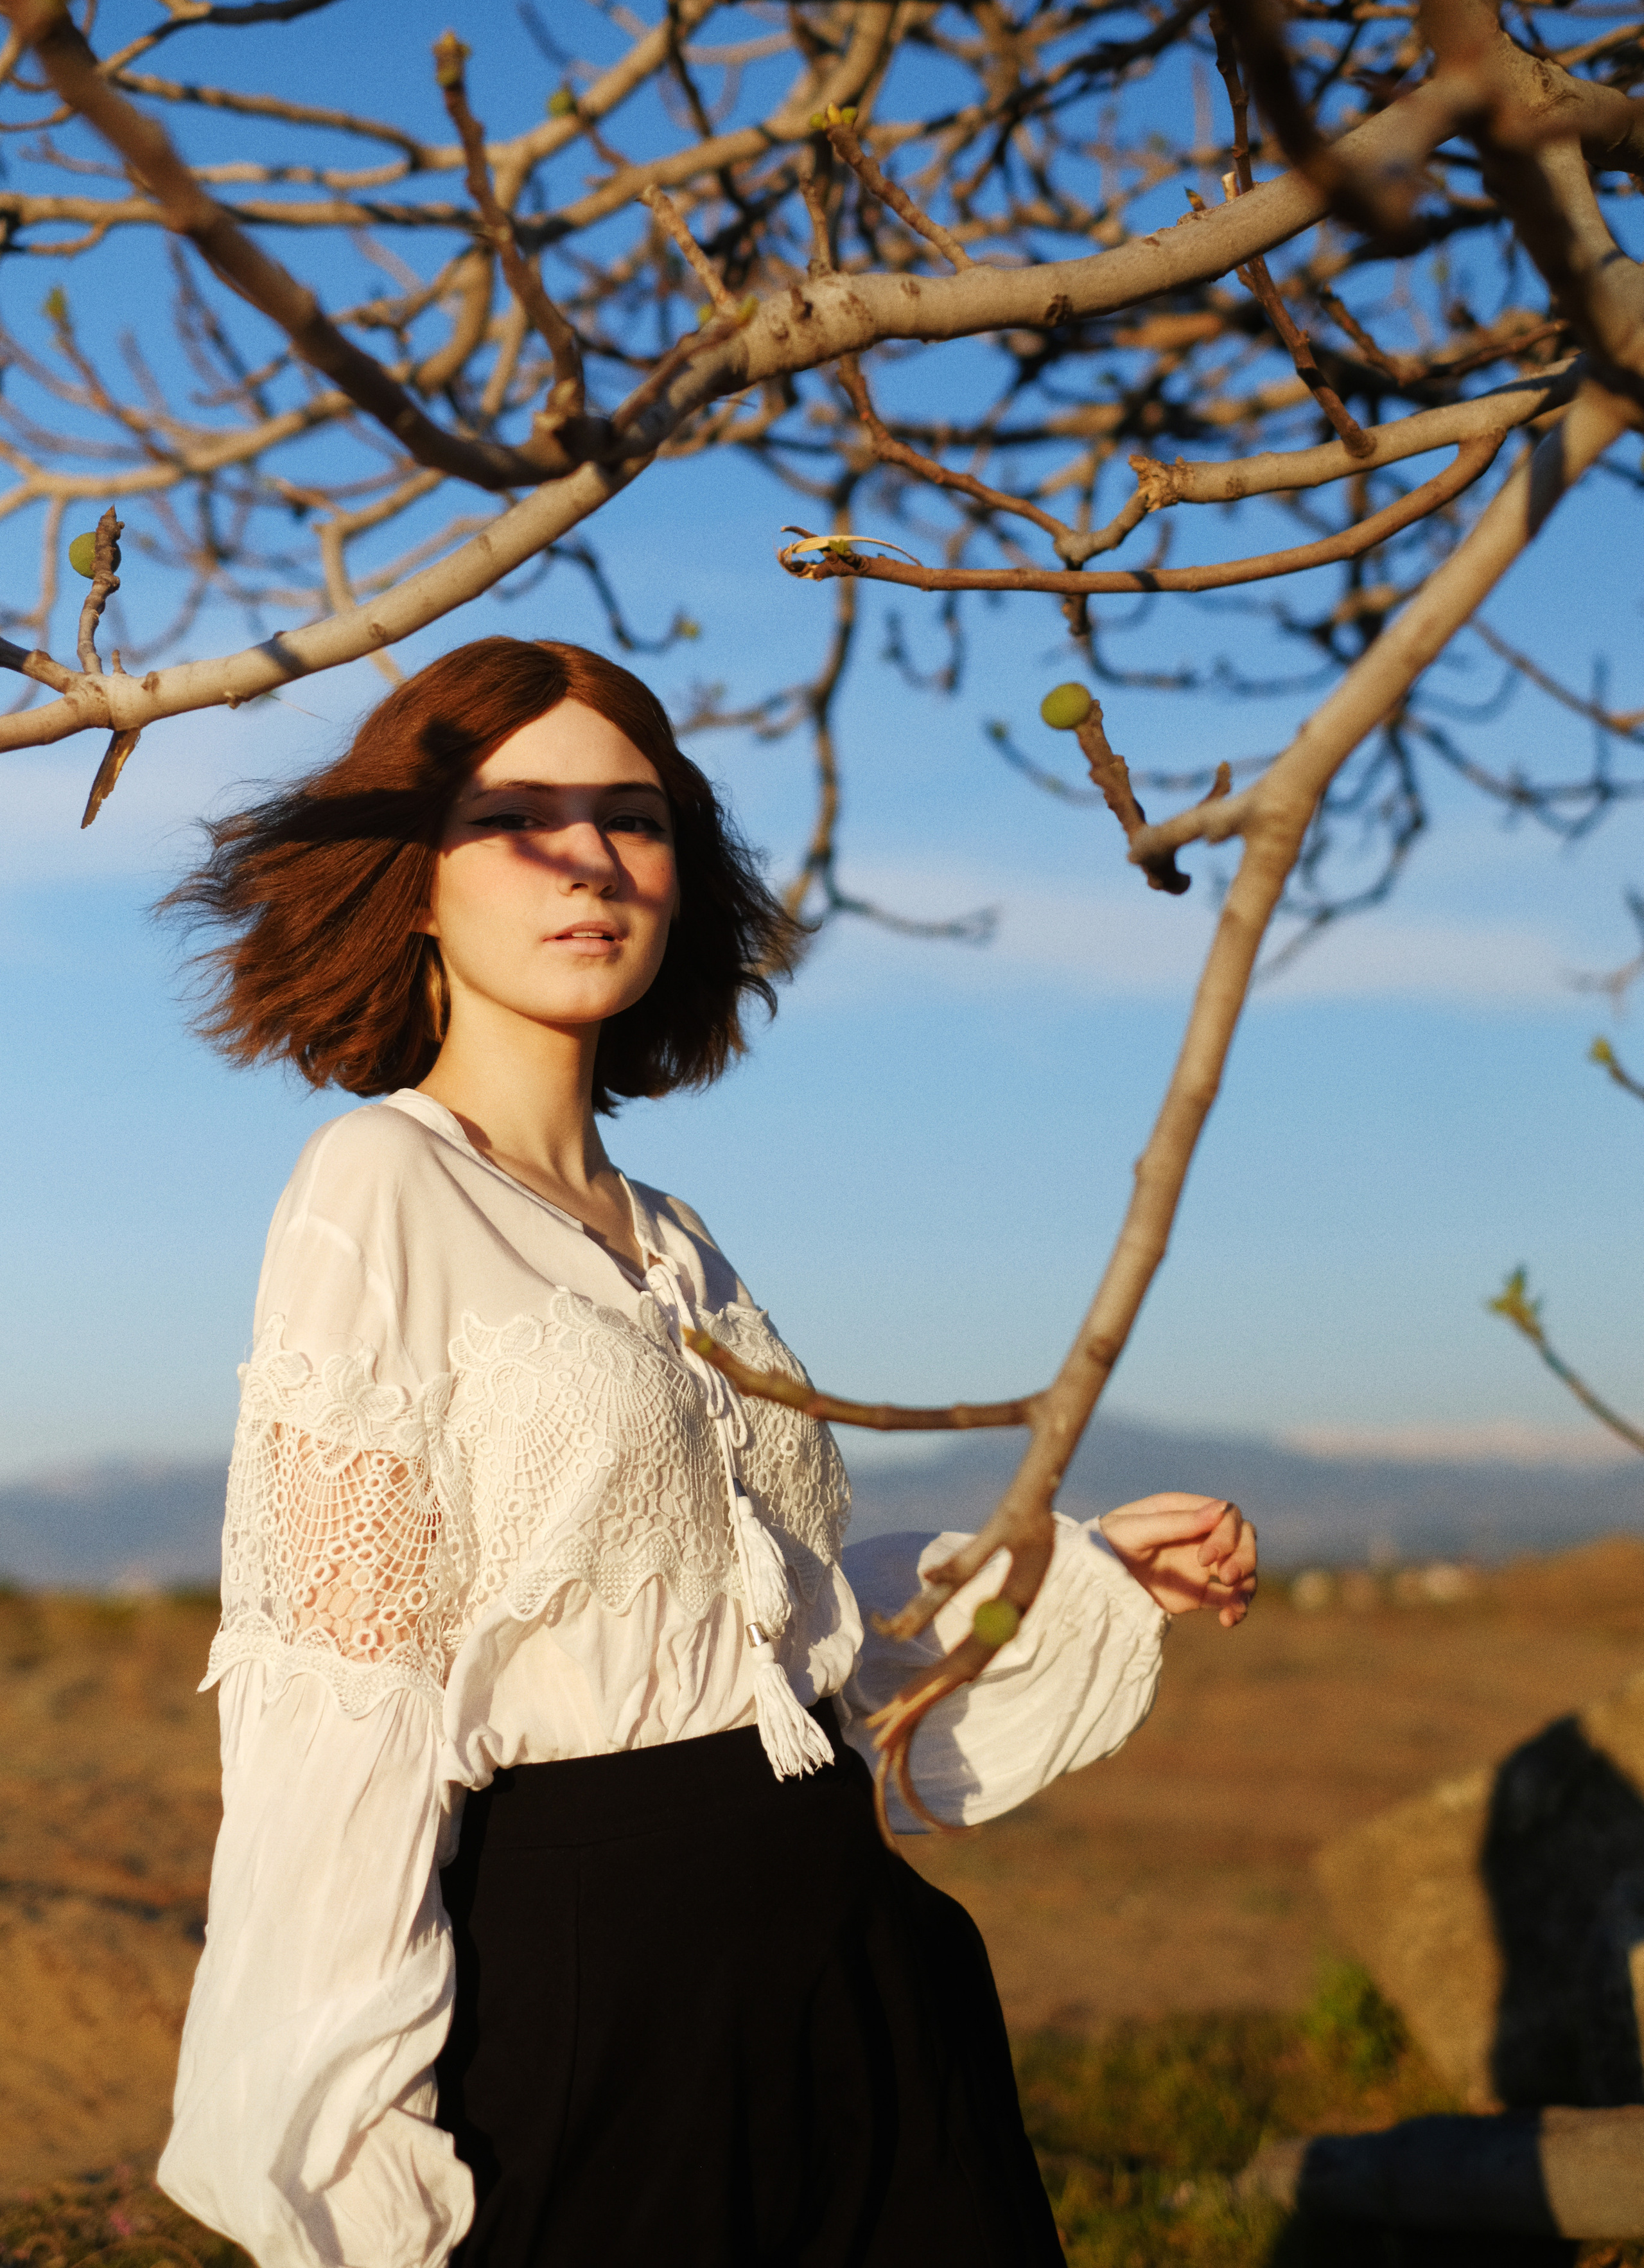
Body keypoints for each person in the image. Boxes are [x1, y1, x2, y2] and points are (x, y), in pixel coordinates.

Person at [155, 636, 1257, 2268]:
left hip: (846, 1963)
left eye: (634, 814)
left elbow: (764, 1631)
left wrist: (1065, 1567)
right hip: (605, 1989)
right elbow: (343, 1691)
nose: (589, 858)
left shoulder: (674, 1240)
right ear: (413, 883)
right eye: (516, 815)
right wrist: (345, 2150)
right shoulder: (375, 1184)